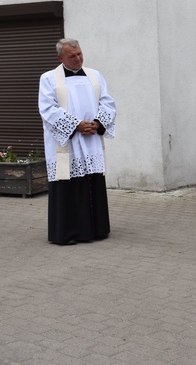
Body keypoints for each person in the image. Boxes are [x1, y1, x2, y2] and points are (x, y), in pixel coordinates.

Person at [38, 39, 116, 245]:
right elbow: (48, 109)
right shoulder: (48, 79)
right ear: (60, 57)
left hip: (91, 140)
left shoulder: (95, 76)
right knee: (68, 185)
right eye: (72, 56)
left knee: (93, 182)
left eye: (80, 54)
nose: (78, 59)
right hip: (67, 143)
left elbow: (107, 102)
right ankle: (68, 233)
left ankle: (97, 230)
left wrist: (98, 124)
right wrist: (76, 125)